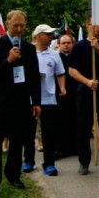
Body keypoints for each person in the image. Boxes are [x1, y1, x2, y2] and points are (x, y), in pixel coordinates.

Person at [0, 10, 41, 198]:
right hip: (0, 102)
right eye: (15, 26)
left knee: (17, 141)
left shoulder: (29, 49)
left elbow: (33, 77)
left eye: (22, 26)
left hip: (21, 102)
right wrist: (8, 61)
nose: (19, 29)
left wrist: (36, 101)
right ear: (7, 24)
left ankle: (13, 174)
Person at [68, 17, 99, 180]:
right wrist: (88, 82)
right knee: (83, 128)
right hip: (86, 88)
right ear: (87, 25)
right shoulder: (80, 46)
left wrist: (98, 49)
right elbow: (72, 70)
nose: (98, 27)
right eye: (94, 24)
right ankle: (84, 161)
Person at [32, 24, 66, 176]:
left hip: (49, 98)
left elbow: (60, 73)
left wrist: (62, 87)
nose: (51, 37)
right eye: (47, 34)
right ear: (39, 36)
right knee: (29, 131)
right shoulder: (29, 52)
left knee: (49, 132)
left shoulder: (54, 54)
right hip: (31, 98)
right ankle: (28, 161)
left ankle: (49, 164)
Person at [55, 33, 79, 158]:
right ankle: (60, 148)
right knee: (60, 122)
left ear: (72, 44)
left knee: (74, 121)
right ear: (59, 44)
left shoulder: (76, 57)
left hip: (74, 94)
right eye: (63, 43)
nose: (66, 45)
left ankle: (74, 147)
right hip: (59, 94)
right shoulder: (55, 57)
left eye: (68, 43)